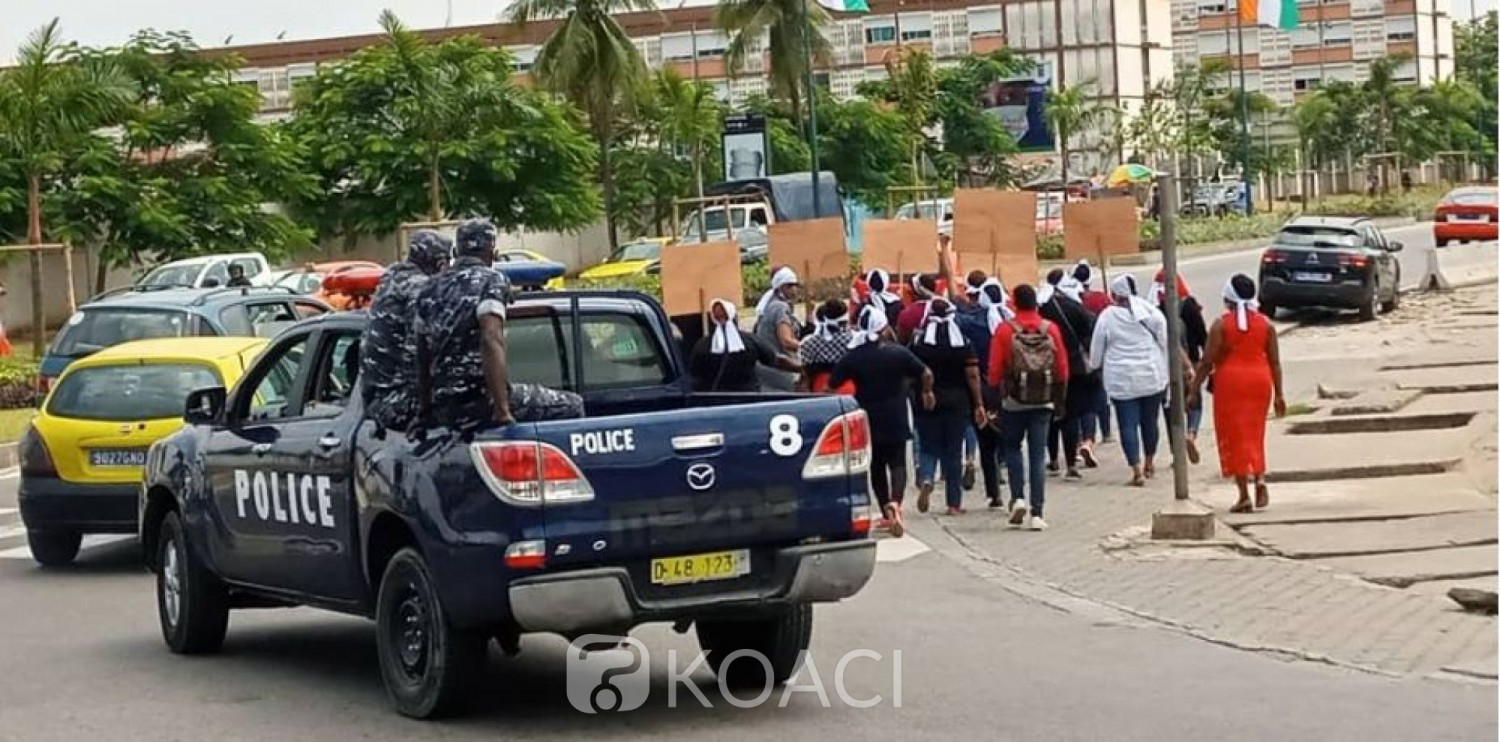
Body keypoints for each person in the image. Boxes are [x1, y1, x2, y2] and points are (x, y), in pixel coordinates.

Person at [416, 218, 583, 431]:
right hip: (479, 399)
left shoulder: (429, 287)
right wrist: (502, 409)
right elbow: (490, 337)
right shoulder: (491, 280)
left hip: (445, 405)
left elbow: (422, 354)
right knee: (573, 405)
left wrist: (425, 411)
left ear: (457, 250)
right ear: (491, 250)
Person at [829, 305, 934, 538]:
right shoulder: (897, 352)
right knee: (897, 463)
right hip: (896, 413)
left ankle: (886, 511)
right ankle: (896, 503)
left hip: (867, 417)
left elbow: (834, 382)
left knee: (875, 466)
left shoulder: (853, 357)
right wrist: (926, 392)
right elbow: (925, 372)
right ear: (882, 327)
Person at [1190, 275, 1286, 513]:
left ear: (1228, 298)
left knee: (1235, 436)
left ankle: (1244, 494)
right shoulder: (1266, 325)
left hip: (1231, 383)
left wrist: (1193, 390)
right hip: (1259, 381)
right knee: (1255, 433)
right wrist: (1279, 394)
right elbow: (1275, 362)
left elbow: (1206, 362)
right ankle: (1260, 478)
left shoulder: (1221, 325)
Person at [988, 284, 1068, 530]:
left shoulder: (1004, 330)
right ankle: (1037, 512)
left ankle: (1017, 498)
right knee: (1037, 455)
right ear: (1036, 303)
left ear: (1014, 302)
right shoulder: (1050, 329)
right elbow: (1062, 369)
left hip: (1013, 401)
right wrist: (1059, 401)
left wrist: (993, 400)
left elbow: (993, 371)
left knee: (1012, 448)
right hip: (1043, 400)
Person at [361, 229, 452, 434]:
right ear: (439, 262)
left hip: (377, 402)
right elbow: (420, 353)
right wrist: (426, 410)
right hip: (398, 403)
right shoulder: (419, 287)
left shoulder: (390, 281)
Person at [1088, 274, 1169, 487]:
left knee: (1127, 425)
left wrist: (1095, 366)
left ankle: (1136, 470)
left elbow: (1096, 355)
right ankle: (1150, 462)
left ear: (1114, 295)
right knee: (1150, 421)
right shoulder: (1152, 313)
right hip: (1151, 376)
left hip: (1122, 380)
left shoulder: (1107, 316)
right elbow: (1165, 342)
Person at [909, 298, 986, 515]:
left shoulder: (919, 342)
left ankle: (926, 478)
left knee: (928, 447)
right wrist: (978, 403)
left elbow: (911, 371)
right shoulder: (962, 341)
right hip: (957, 402)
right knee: (953, 452)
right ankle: (954, 503)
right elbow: (972, 375)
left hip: (927, 400)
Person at [1038, 268, 1096, 480]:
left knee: (1051, 415)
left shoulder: (1042, 308)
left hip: (1046, 368)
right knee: (1071, 415)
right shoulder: (1074, 307)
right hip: (1074, 368)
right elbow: (1090, 331)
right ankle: (1071, 463)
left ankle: (1053, 459)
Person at [1151, 270, 1208, 464]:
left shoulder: (1155, 310)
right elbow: (1202, 335)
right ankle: (1191, 434)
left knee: (1170, 409)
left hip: (1165, 366)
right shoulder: (1189, 306)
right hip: (1190, 363)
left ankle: (1177, 454)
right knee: (1194, 403)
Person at [689, 299, 799, 392]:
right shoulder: (749, 341)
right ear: (734, 317)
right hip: (749, 399)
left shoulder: (701, 346)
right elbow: (775, 360)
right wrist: (802, 368)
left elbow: (694, 375)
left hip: (716, 403)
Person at [752, 266, 803, 391]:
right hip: (780, 368)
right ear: (780, 288)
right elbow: (786, 341)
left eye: (796, 285)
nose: (794, 290)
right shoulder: (779, 307)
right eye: (789, 286)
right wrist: (808, 347)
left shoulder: (771, 306)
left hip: (768, 368)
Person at [799, 299, 854, 393]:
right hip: (849, 389)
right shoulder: (854, 340)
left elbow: (805, 373)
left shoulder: (808, 342)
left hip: (818, 390)